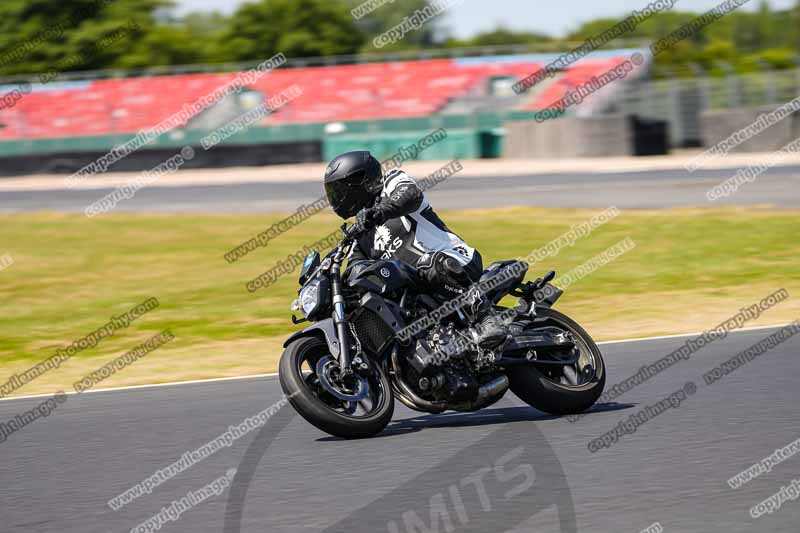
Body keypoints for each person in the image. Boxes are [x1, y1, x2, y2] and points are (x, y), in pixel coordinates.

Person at [323, 150, 483, 301]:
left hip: (457, 261)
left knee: (429, 263)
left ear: (359, 181)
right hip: (423, 290)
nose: (336, 198)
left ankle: (485, 316)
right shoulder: (362, 235)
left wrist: (379, 211)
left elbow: (410, 194)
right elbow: (355, 270)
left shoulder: (392, 182)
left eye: (338, 191)